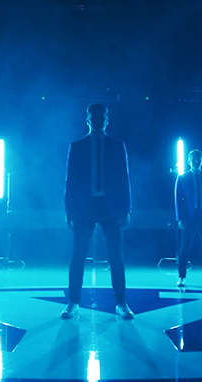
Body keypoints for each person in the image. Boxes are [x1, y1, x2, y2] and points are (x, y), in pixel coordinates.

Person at [63, 104, 134, 319]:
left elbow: (124, 178)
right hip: (84, 208)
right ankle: (73, 302)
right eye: (94, 116)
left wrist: (126, 209)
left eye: (101, 116)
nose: (97, 119)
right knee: (78, 256)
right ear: (87, 119)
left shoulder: (117, 146)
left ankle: (121, 303)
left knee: (116, 257)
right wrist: (69, 211)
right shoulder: (76, 146)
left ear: (107, 119)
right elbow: (70, 181)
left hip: (110, 206)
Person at [175, 149, 202, 289]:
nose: (196, 162)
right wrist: (180, 218)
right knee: (184, 248)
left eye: (198, 159)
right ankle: (181, 277)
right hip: (189, 216)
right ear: (189, 161)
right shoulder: (182, 177)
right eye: (193, 159)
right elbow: (178, 199)